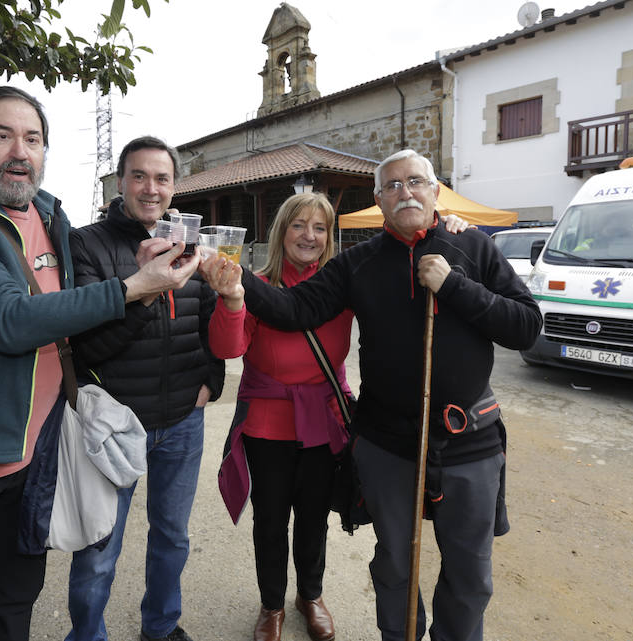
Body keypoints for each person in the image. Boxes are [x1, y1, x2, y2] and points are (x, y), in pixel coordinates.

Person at [0, 86, 199, 641]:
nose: (19, 151)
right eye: (1, 135)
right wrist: (130, 287)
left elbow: (79, 325)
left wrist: (144, 289)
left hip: (32, 462)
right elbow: (4, 319)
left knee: (13, 611)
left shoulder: (52, 215)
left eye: (32, 138)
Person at [203, 149, 542, 641]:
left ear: (435, 190)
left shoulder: (474, 249)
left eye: (416, 182)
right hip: (389, 445)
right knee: (394, 568)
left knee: (470, 574)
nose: (405, 192)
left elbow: (527, 327)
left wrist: (454, 286)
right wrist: (238, 283)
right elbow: (293, 308)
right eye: (392, 186)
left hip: (470, 440)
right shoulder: (356, 265)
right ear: (379, 200)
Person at [65, 135, 225, 641]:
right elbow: (89, 346)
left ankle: (161, 627)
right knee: (98, 548)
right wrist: (146, 285)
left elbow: (209, 322)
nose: (150, 188)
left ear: (174, 186)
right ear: (120, 182)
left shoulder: (191, 247)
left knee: (173, 538)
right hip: (116, 424)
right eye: (139, 176)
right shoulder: (86, 244)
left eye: (162, 178)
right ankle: (88, 635)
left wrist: (212, 381)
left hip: (182, 419)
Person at [206, 192, 353, 641]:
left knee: (314, 517)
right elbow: (227, 349)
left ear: (330, 237)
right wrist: (232, 301)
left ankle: (310, 596)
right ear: (281, 231)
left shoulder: (342, 286)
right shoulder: (255, 282)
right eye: (298, 225)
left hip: (323, 418)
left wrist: (446, 232)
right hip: (268, 422)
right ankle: (272, 604)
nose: (309, 235)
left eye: (320, 227)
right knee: (270, 520)